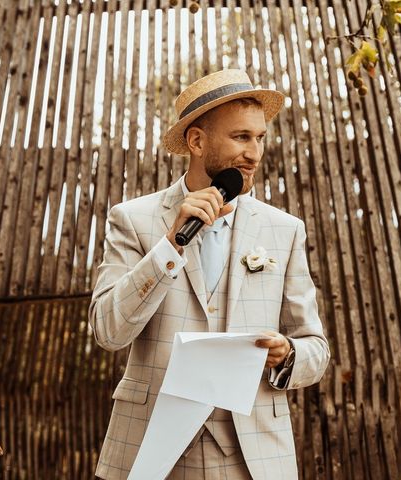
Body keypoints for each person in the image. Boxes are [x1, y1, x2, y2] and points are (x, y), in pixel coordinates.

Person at [89, 69, 330, 479]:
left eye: (260, 138)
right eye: (241, 137)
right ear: (197, 141)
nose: (254, 153)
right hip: (150, 451)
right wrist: (169, 247)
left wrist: (287, 353)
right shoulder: (133, 219)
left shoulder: (284, 230)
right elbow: (108, 331)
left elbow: (316, 349)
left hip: (251, 457)